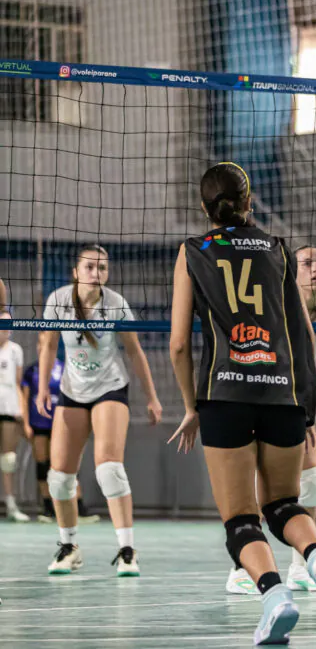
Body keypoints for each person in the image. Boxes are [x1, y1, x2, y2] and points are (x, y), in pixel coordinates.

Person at [167, 162, 316, 644]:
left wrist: (190, 407)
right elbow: (305, 333)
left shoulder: (193, 251)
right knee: (283, 504)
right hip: (281, 392)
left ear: (204, 207)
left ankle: (274, 597)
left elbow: (178, 345)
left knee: (241, 520)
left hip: (224, 393)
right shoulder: (278, 250)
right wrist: (307, 406)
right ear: (249, 202)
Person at [37, 245, 163, 576]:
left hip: (110, 387)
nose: (96, 273)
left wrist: (152, 397)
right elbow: (48, 344)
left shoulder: (116, 303)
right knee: (59, 478)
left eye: (102, 268)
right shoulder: (58, 300)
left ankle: (127, 550)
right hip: (72, 390)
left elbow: (134, 352)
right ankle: (69, 547)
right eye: (89, 267)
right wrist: (42, 390)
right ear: (76, 272)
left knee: (109, 468)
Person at [226, 244, 316, 595]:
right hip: (262, 391)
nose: (315, 268)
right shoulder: (274, 300)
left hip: (296, 398)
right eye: (307, 263)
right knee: (259, 486)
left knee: (312, 480)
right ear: (293, 271)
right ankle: (241, 569)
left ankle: (300, 567)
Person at [20, 337, 99, 524]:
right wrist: (25, 424)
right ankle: (48, 507)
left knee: (66, 465)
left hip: (60, 423)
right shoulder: (32, 371)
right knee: (42, 465)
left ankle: (78, 506)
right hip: (38, 423)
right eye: (39, 343)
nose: (42, 347)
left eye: (45, 343)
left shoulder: (64, 367)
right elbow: (25, 398)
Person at [0, 314, 28, 522]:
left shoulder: (15, 350)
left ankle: (11, 504)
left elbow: (18, 383)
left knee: (9, 459)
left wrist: (23, 413)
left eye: (9, 324)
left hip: (9, 408)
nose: (6, 328)